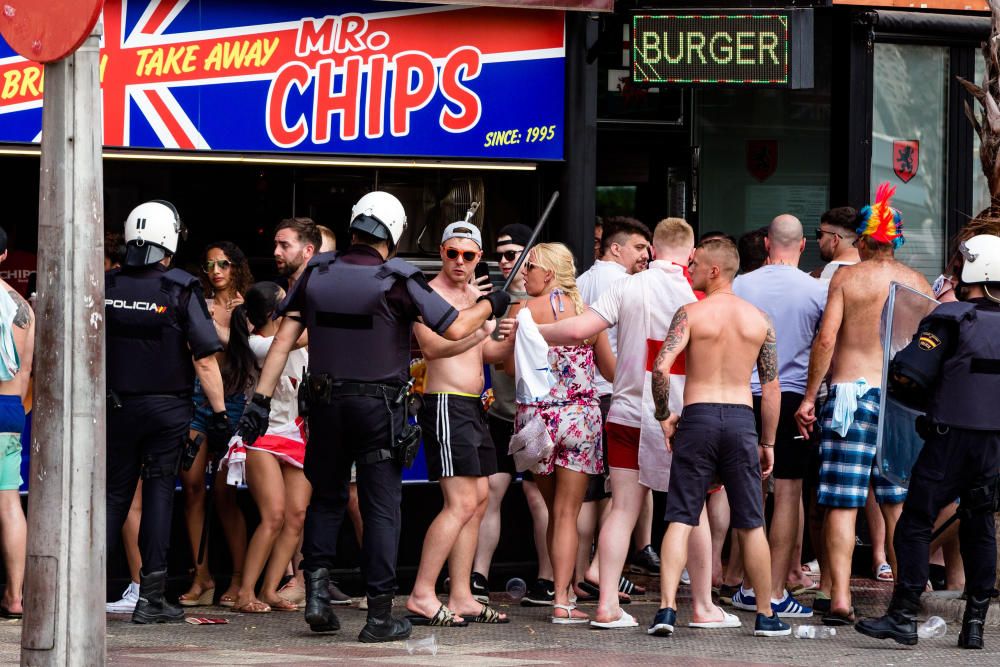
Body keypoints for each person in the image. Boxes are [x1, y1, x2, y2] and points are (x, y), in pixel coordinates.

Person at [237, 191, 508, 641]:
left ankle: (318, 598)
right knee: (382, 508)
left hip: (324, 406)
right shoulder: (399, 277)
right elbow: (457, 329)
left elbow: (282, 342)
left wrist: (259, 402)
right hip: (380, 409)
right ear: (396, 232)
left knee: (326, 500)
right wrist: (491, 305)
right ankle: (379, 616)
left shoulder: (317, 273)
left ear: (355, 226)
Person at [539, 220, 729, 631]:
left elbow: (578, 330)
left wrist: (530, 331)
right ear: (691, 255)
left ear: (654, 250)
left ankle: (606, 604)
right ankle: (702, 606)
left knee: (623, 508)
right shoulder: (698, 293)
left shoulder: (628, 285)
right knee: (690, 510)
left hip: (625, 411)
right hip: (682, 416)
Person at [794, 184, 932, 626]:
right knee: (897, 505)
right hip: (900, 402)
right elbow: (929, 351)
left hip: (851, 396)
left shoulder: (847, 278)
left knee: (842, 502)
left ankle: (839, 598)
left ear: (865, 241)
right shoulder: (917, 283)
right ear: (897, 241)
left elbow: (827, 339)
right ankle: (902, 600)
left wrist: (811, 396)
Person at [856, 232, 1000, 649]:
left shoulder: (951, 318)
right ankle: (973, 627)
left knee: (915, 523)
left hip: (948, 439)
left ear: (972, 270)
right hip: (992, 447)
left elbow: (908, 374)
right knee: (979, 528)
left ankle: (902, 617)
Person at [650, 238, 790, 638]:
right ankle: (765, 614)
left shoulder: (691, 313)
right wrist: (768, 442)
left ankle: (665, 611)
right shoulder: (759, 319)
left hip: (699, 417)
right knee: (751, 522)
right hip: (742, 421)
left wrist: (664, 416)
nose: (688, 268)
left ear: (715, 270)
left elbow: (661, 370)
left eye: (694, 263)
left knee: (681, 516)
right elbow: (772, 388)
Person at [105, 200, 230, 623]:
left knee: (113, 496)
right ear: (169, 241)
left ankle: (85, 589)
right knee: (159, 494)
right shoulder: (180, 287)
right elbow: (205, 357)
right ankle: (151, 597)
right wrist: (218, 413)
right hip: (167, 410)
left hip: (115, 407)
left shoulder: (106, 285)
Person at [407, 222, 515, 626]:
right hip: (444, 404)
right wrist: (480, 327)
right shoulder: (426, 293)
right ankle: (421, 593)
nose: (459, 262)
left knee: (481, 499)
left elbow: (487, 351)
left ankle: (462, 594)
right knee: (461, 502)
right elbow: (433, 348)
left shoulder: (476, 296)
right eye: (452, 253)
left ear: (477, 257)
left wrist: (510, 335)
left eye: (468, 255)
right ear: (441, 251)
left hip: (473, 405)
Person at [514, 242, 615, 625]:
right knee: (567, 513)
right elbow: (608, 369)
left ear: (550, 275)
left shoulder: (521, 311)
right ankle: (562, 598)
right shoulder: (587, 315)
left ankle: (560, 591)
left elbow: (508, 367)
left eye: (531, 267)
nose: (525, 274)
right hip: (580, 419)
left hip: (535, 420)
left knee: (552, 508)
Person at [732, 215, 827, 618]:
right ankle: (772, 592)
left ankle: (747, 585)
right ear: (803, 245)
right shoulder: (817, 290)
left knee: (748, 489)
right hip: (791, 399)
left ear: (768, 243)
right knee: (788, 493)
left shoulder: (739, 284)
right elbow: (827, 346)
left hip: (742, 393)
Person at [471, 223, 556, 607]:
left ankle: (548, 579)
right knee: (489, 493)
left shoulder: (544, 301)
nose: (505, 262)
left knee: (540, 497)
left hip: (538, 416)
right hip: (502, 414)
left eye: (513, 254)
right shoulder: (492, 299)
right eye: (499, 255)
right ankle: (477, 576)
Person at [576, 217, 659, 583]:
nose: (647, 255)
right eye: (640, 247)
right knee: (619, 494)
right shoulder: (629, 285)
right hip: (614, 395)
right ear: (616, 248)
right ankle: (608, 573)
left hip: (583, 396)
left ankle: (580, 574)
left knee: (588, 495)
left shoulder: (580, 283)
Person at [178, 242, 255, 608]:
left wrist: (237, 324)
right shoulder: (198, 304)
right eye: (209, 265)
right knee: (192, 487)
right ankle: (201, 576)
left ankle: (240, 578)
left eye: (223, 263)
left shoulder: (248, 305)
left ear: (236, 267)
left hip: (236, 399)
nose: (216, 271)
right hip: (196, 399)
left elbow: (257, 351)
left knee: (226, 495)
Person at [226, 282, 311, 613]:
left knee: (296, 516)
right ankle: (245, 592)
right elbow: (297, 338)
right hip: (261, 434)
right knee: (273, 516)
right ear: (276, 312)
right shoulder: (260, 344)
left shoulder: (294, 340)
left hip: (294, 432)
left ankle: (270, 589)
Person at [103, 230, 144, 614]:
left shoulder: (111, 294)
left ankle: (138, 584)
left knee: (129, 500)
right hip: (131, 405)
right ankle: (140, 585)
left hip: (120, 407)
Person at [0, 228, 32, 619]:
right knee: (8, 502)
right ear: (5, 257)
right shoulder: (22, 307)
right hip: (10, 406)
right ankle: (14, 596)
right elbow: (27, 370)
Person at [812, 207, 859, 280]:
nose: (818, 240)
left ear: (834, 240)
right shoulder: (875, 271)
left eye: (820, 234)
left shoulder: (819, 277)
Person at [273, 217, 321, 290]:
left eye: (285, 245)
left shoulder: (319, 291)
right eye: (276, 245)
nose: (276, 252)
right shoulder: (276, 287)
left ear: (308, 251)